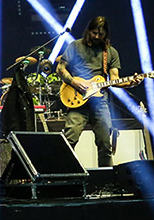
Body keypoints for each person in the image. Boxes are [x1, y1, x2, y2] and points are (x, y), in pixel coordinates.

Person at [56, 16, 141, 167]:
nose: (96, 36)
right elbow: (60, 68)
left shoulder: (111, 52)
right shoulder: (75, 46)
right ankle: (62, 177)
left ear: (106, 35)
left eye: (100, 34)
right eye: (94, 32)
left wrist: (131, 83)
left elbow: (115, 79)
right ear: (88, 31)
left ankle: (106, 181)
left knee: (105, 144)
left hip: (99, 103)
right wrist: (73, 81)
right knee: (69, 141)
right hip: (77, 102)